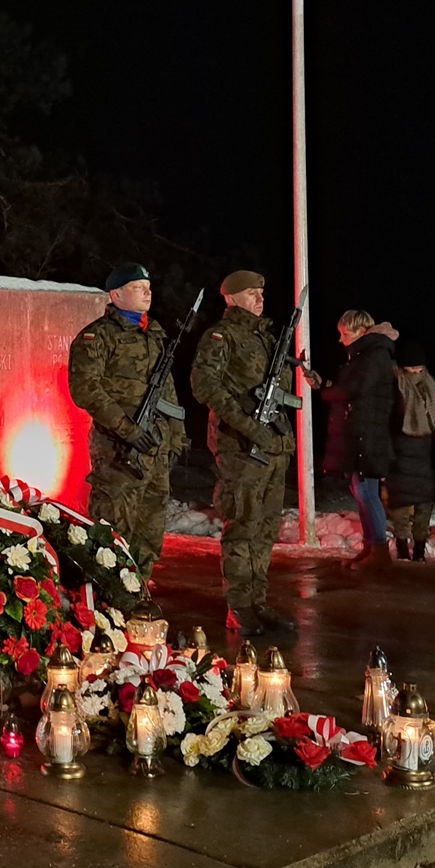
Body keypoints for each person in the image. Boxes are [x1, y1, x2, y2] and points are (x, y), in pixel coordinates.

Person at [190, 270, 299, 638]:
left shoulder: (266, 338)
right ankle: (238, 606)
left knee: (265, 529)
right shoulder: (222, 337)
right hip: (242, 448)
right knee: (242, 527)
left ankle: (258, 601)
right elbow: (206, 386)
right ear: (232, 299)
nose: (259, 298)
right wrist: (249, 427)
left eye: (261, 293)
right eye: (251, 293)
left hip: (273, 447)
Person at [66, 262, 190, 585]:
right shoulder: (99, 336)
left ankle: (138, 600)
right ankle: (109, 607)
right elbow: (86, 390)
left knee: (150, 534)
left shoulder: (155, 336)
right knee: (114, 535)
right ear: (117, 294)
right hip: (119, 452)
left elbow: (168, 393)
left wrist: (177, 440)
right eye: (138, 287)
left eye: (149, 286)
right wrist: (128, 430)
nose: (148, 291)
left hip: (154, 451)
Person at [316, 310, 396, 569]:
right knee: (361, 492)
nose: (341, 340)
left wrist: (324, 390)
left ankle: (379, 552)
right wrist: (326, 384)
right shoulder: (364, 357)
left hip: (368, 437)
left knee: (366, 493)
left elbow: (354, 389)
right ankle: (371, 547)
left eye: (345, 334)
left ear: (361, 331)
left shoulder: (375, 357)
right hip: (361, 435)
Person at [386, 339, 435, 562]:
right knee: (400, 501)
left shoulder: (430, 383)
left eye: (420, 368)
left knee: (424, 501)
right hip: (400, 449)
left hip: (426, 450)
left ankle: (419, 546)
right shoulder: (395, 384)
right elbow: (389, 418)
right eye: (412, 368)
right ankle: (401, 545)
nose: (417, 372)